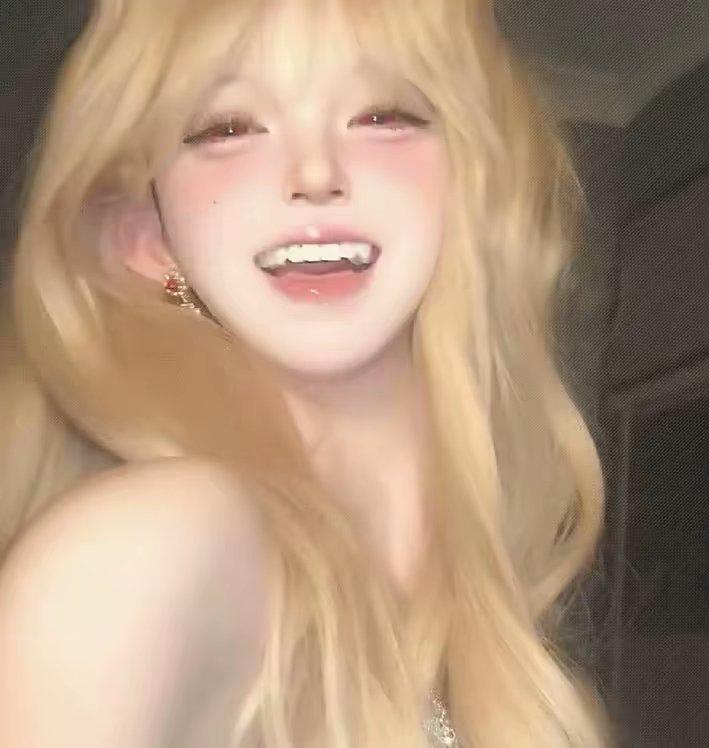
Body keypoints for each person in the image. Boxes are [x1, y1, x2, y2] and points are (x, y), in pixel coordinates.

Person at [0, 0, 614, 745]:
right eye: (228, 128)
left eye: (382, 115)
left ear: (475, 188)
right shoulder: (141, 556)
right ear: (146, 235)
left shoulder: (475, 606)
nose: (315, 174)